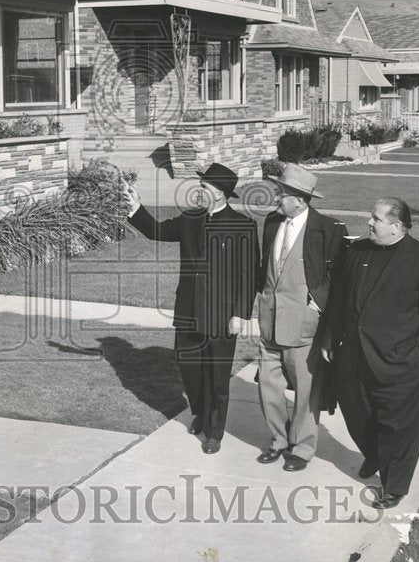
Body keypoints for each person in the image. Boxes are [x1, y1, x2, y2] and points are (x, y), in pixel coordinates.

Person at [323, 197, 419, 510]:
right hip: (354, 358)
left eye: (375, 219)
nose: (369, 223)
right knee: (357, 415)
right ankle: (376, 455)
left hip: (402, 362)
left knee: (399, 427)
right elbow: (338, 300)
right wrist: (328, 338)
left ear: (395, 226)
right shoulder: (357, 252)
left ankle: (394, 485)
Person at [125, 162, 258, 454]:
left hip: (222, 316)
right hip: (188, 309)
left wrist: (241, 314)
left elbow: (249, 276)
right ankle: (200, 409)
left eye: (205, 188)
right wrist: (136, 207)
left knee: (218, 376)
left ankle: (214, 432)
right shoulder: (190, 219)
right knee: (188, 366)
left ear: (221, 194)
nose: (200, 192)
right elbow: (157, 231)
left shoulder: (242, 226)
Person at [255, 164, 347, 472]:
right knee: (268, 387)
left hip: (303, 324)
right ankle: (278, 440)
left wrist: (315, 305)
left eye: (282, 194)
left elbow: (337, 275)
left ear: (301, 200)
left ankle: (303, 447)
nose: (277, 198)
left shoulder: (329, 230)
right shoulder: (271, 223)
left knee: (307, 390)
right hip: (269, 319)